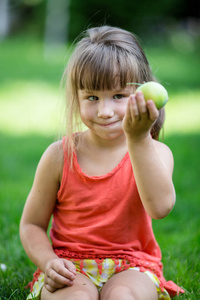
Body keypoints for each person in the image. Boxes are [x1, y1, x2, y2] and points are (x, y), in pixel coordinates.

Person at [20, 25, 184, 300]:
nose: (105, 112)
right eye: (92, 98)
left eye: (118, 96)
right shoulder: (59, 155)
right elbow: (32, 225)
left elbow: (160, 208)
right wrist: (49, 262)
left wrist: (139, 138)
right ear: (77, 97)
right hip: (70, 265)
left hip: (132, 266)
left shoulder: (156, 152)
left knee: (122, 295)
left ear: (142, 93)